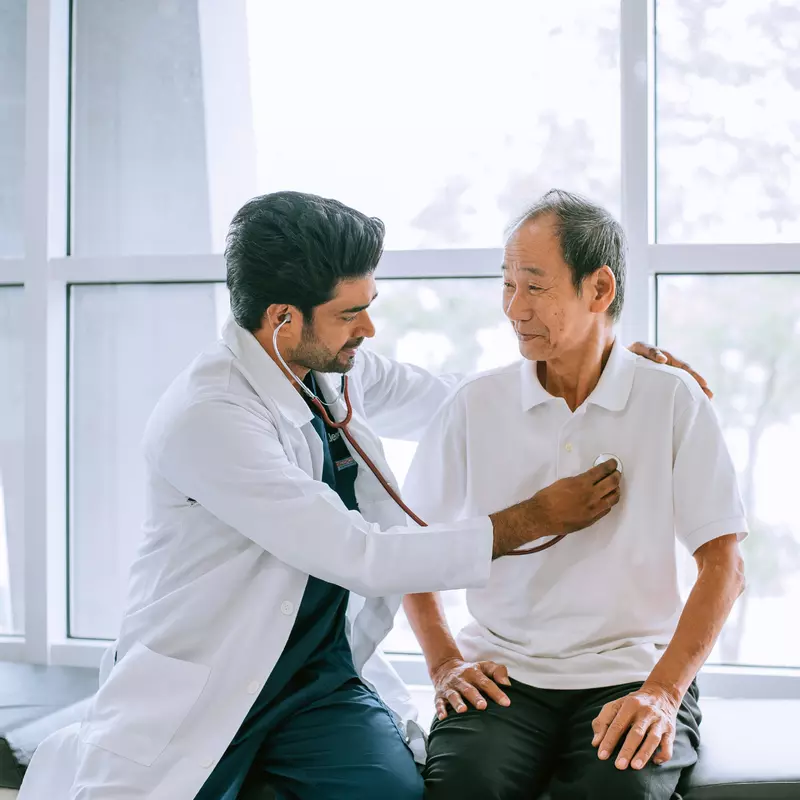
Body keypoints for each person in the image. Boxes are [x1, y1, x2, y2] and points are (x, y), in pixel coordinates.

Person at [19, 191, 704, 800]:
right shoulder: (209, 417)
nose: (368, 330)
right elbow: (359, 553)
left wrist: (598, 356)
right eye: (352, 313)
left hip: (316, 683)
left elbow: (463, 398)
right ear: (283, 319)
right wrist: (529, 521)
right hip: (208, 676)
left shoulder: (333, 368)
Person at [401, 189, 746, 800]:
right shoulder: (476, 405)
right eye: (506, 284)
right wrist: (445, 663)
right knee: (463, 789)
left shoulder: (671, 398)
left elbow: (724, 565)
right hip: (504, 675)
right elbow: (411, 551)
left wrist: (663, 693)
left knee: (617, 793)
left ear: (600, 289)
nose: (513, 307)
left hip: (632, 669)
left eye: (534, 286)